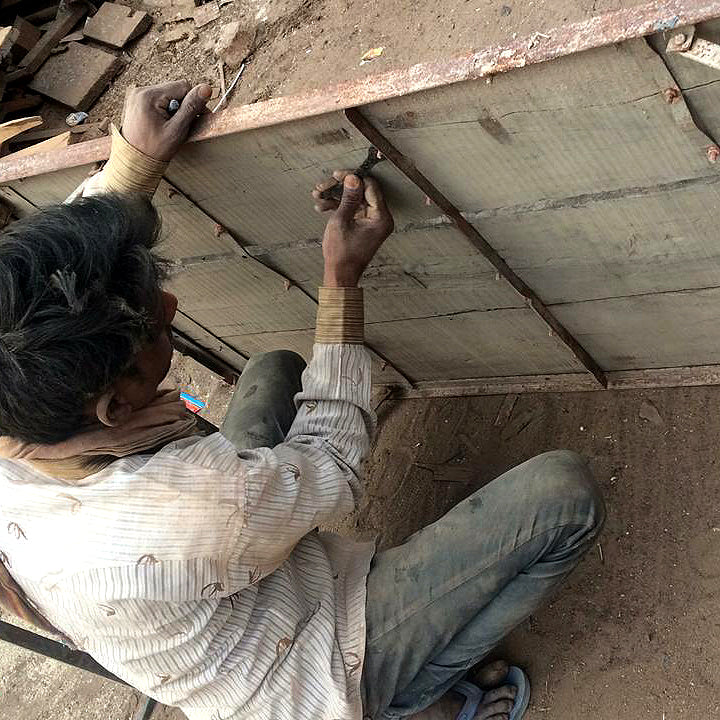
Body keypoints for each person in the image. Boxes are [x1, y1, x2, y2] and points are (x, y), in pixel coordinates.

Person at [0, 80, 605, 720]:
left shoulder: (17, 397)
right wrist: (341, 281)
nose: (171, 307)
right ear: (113, 408)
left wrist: (132, 163)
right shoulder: (186, 509)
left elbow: (48, 272)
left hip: (206, 580)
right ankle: (406, 693)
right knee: (565, 496)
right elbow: (332, 457)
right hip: (299, 673)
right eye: (157, 327)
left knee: (275, 371)